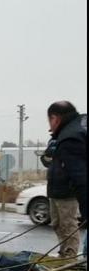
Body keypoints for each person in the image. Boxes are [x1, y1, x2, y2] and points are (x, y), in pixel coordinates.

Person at [41, 100, 86, 259]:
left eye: (49, 121)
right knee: (57, 224)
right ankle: (63, 251)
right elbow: (47, 161)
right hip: (55, 188)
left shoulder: (70, 138)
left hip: (68, 191)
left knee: (68, 225)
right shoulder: (57, 139)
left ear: (55, 118)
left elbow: (79, 174)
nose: (50, 126)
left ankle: (70, 255)